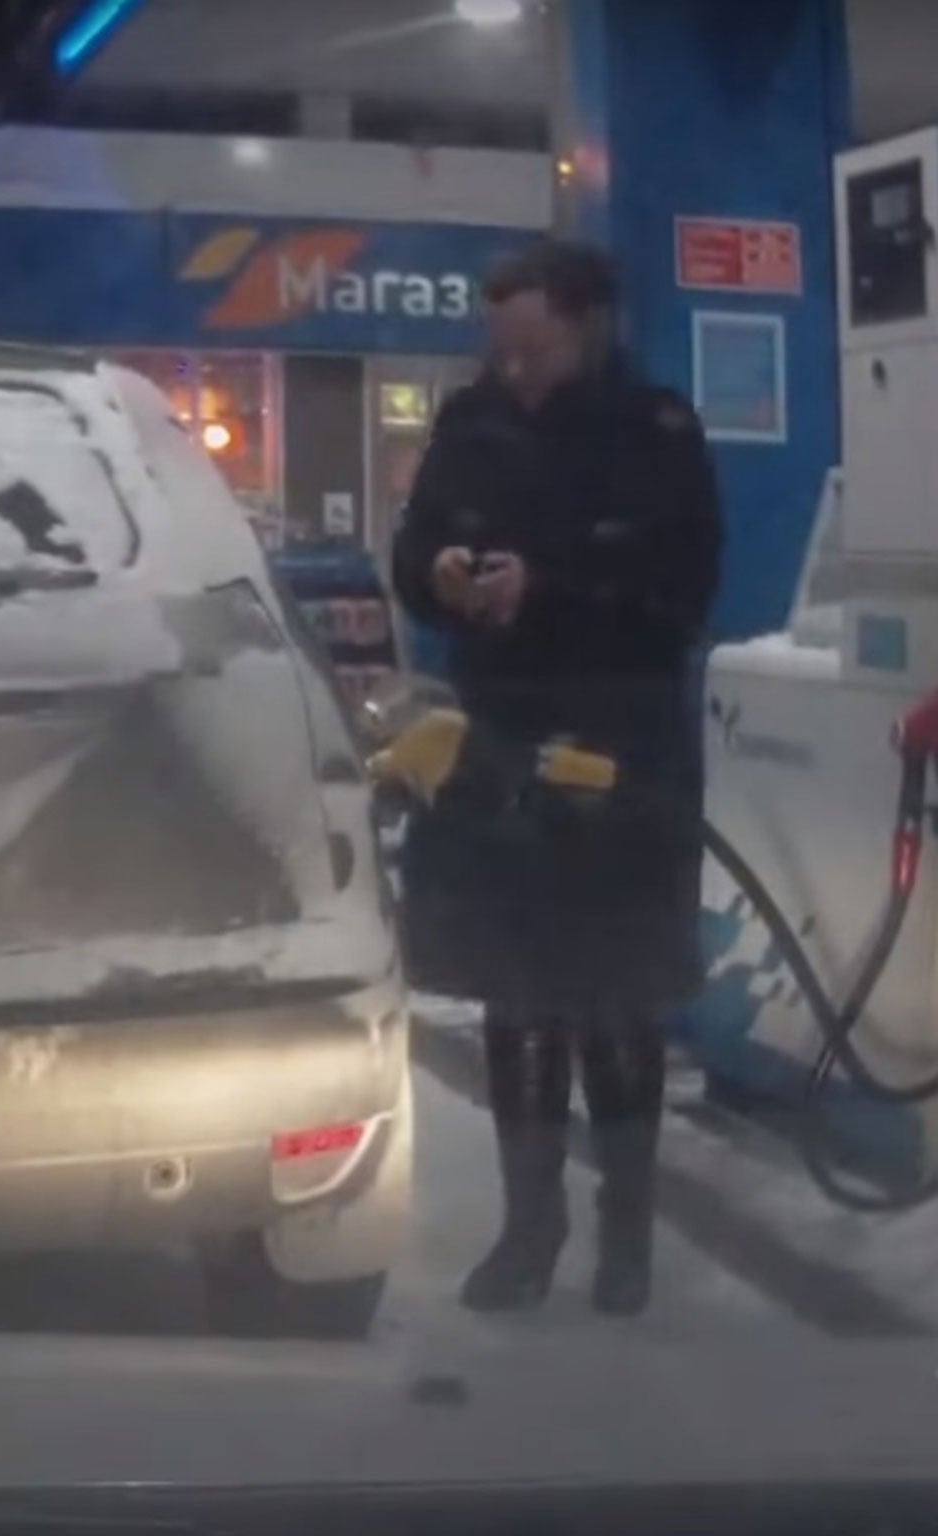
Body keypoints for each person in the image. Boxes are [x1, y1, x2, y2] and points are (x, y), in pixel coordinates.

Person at [391, 240, 724, 1318]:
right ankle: (528, 1228)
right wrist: (437, 575)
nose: (515, 367)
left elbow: (681, 587)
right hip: (499, 747)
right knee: (516, 996)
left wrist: (550, 586)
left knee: (615, 1000)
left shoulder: (654, 433)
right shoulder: (468, 424)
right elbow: (411, 547)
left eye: (532, 346)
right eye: (501, 347)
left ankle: (624, 1238)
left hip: (623, 747)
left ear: (587, 326)